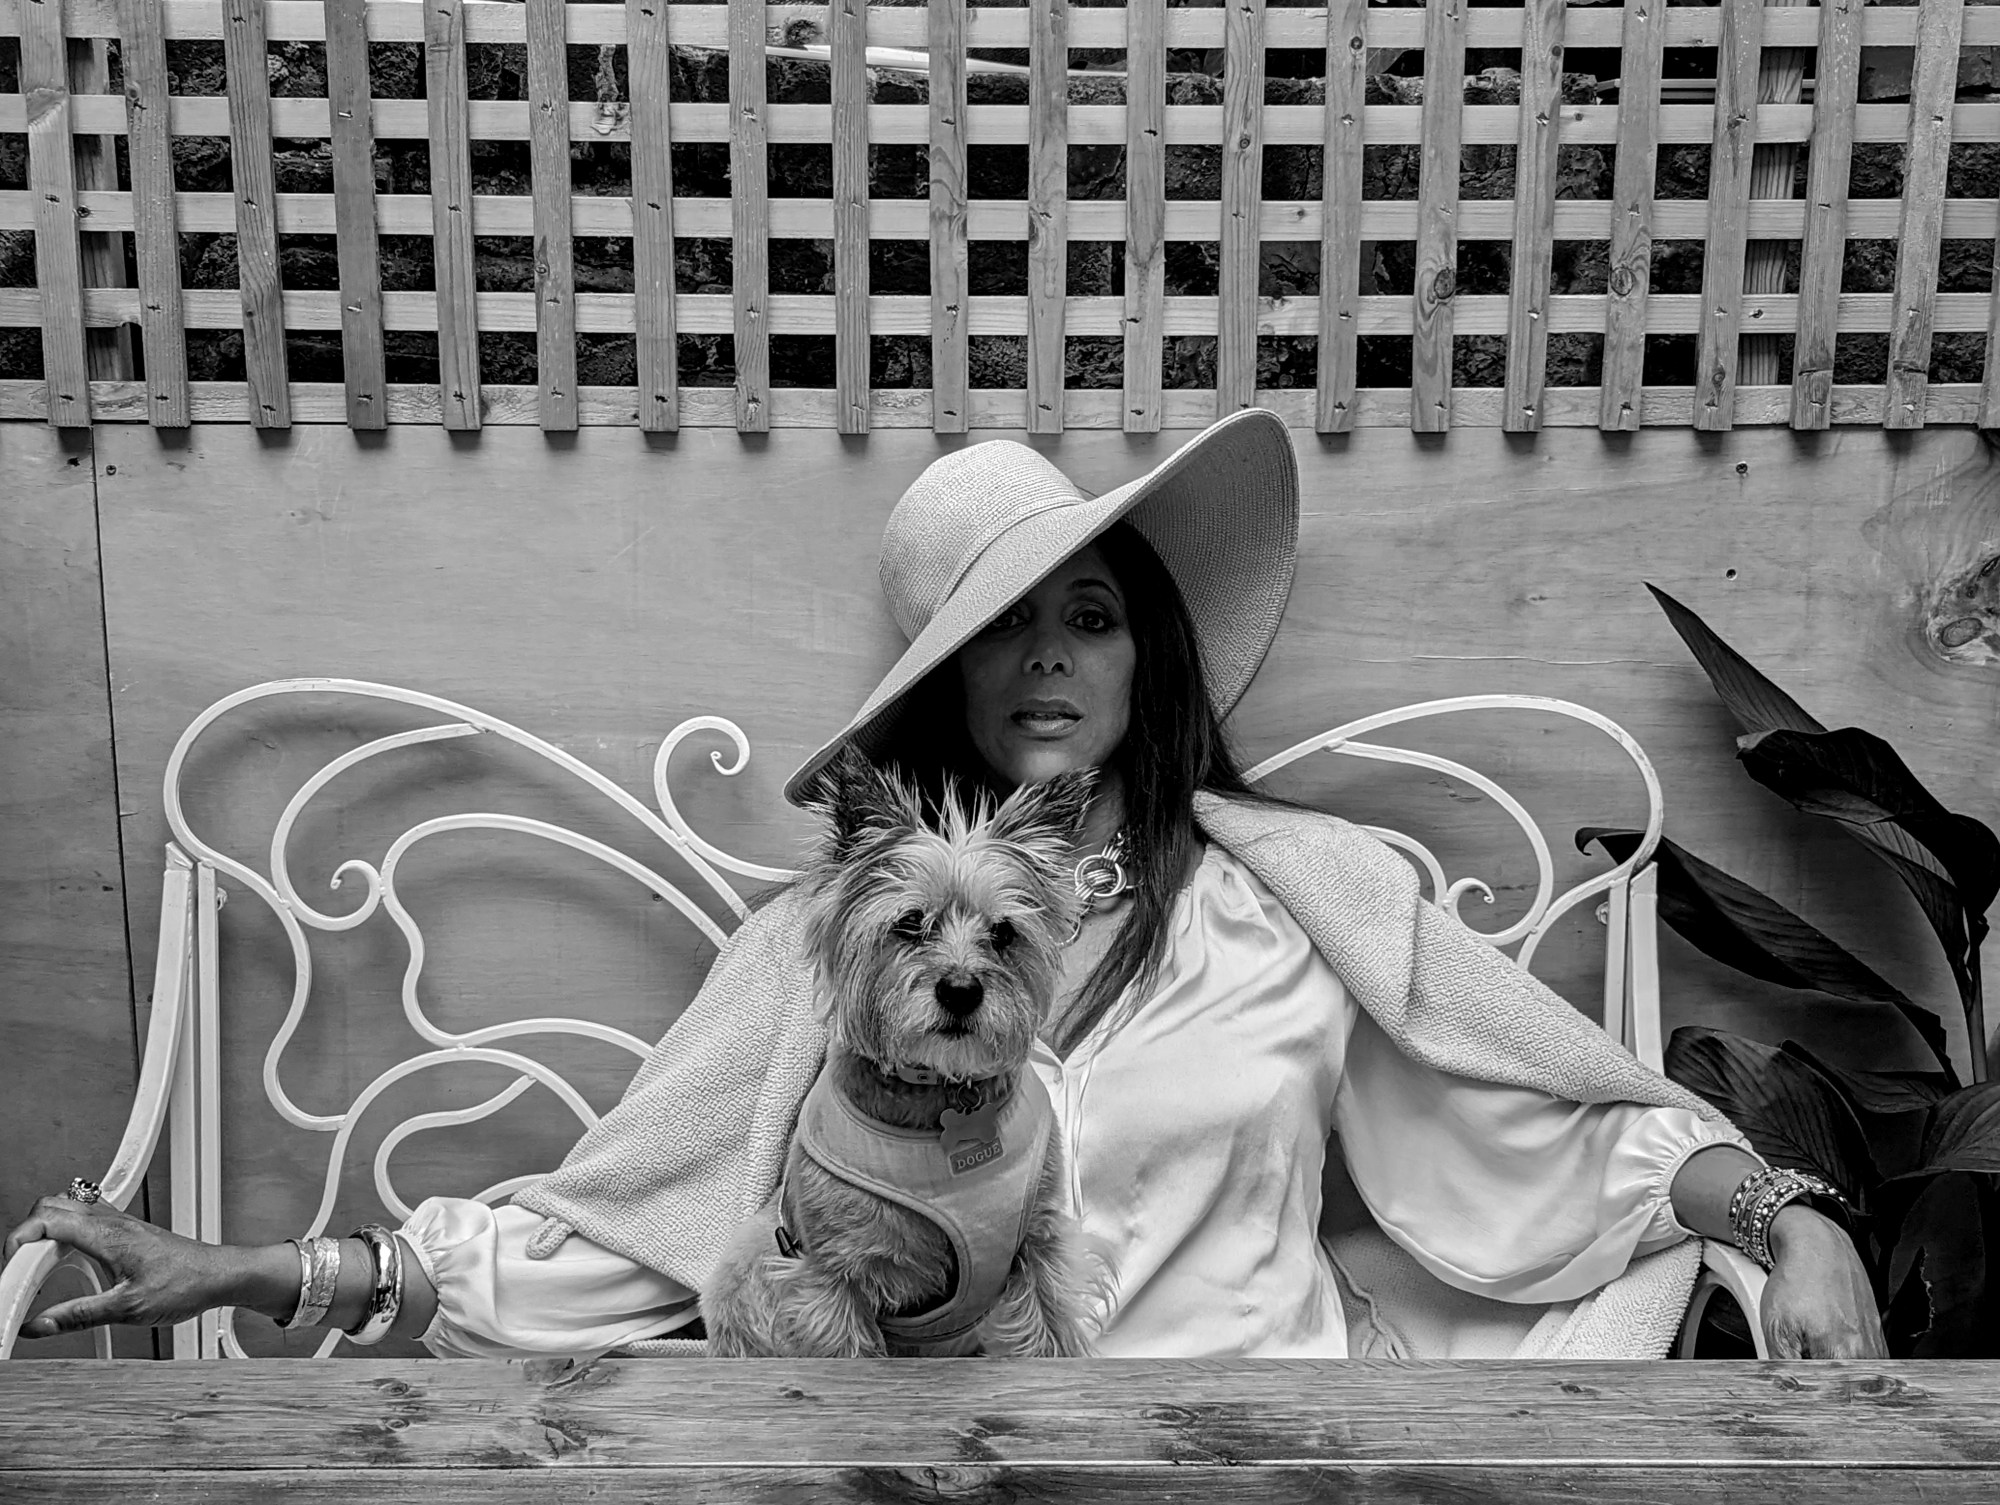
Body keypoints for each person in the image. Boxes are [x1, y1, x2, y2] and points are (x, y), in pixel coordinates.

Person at [5, 409, 1885, 1361]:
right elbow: (651, 1206)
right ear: (954, 692)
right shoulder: (839, 953)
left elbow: (1534, 1142)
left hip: (1270, 1447)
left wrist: (1786, 1206)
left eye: (1092, 618)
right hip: (949, 1458)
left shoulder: (1304, 911)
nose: (1055, 661)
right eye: (1009, 638)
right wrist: (293, 1261)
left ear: (1150, 655)